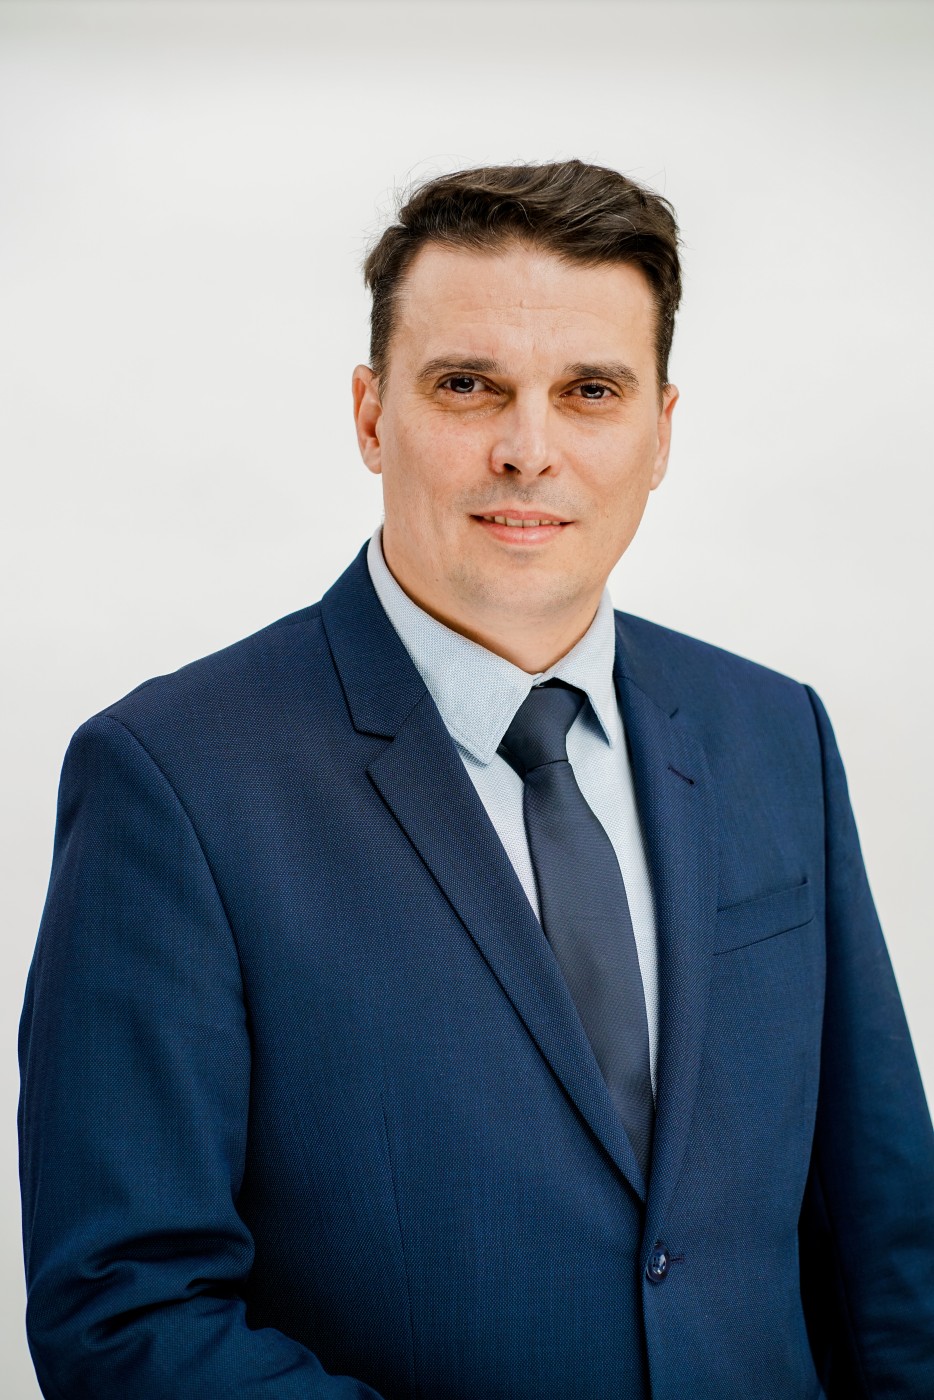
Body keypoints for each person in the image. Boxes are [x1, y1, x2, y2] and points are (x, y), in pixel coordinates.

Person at [17, 159, 934, 1400]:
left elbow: (888, 1242)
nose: (527, 450)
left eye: (589, 391)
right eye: (467, 385)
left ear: (661, 430)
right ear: (370, 414)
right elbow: (126, 1310)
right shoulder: (174, 779)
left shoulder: (773, 731)